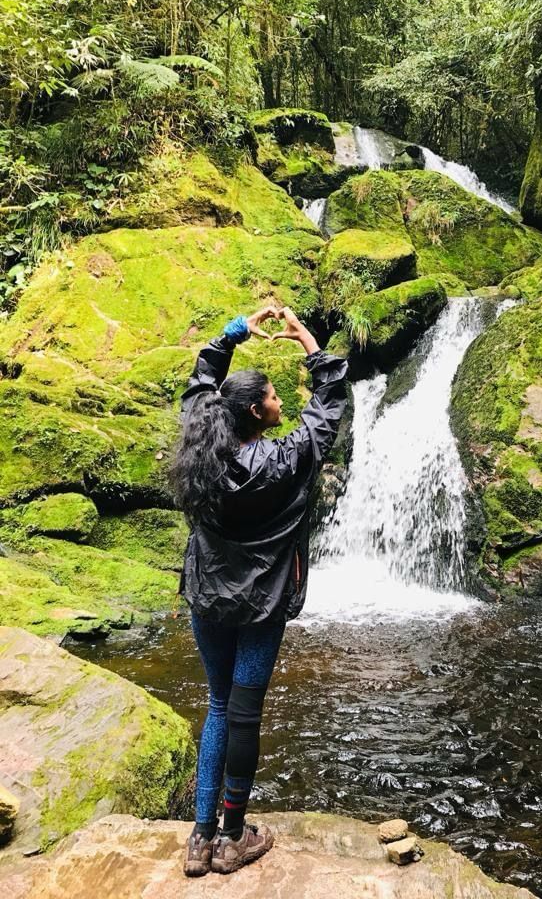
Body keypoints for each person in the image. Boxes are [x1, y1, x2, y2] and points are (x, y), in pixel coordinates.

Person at [169, 305, 347, 877]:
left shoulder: (203, 445)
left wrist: (234, 332)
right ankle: (233, 836)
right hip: (263, 604)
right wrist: (310, 345)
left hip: (208, 600)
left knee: (219, 706)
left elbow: (200, 383)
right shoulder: (286, 458)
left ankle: (200, 838)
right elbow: (328, 408)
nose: (280, 403)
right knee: (245, 714)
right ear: (256, 411)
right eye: (273, 398)